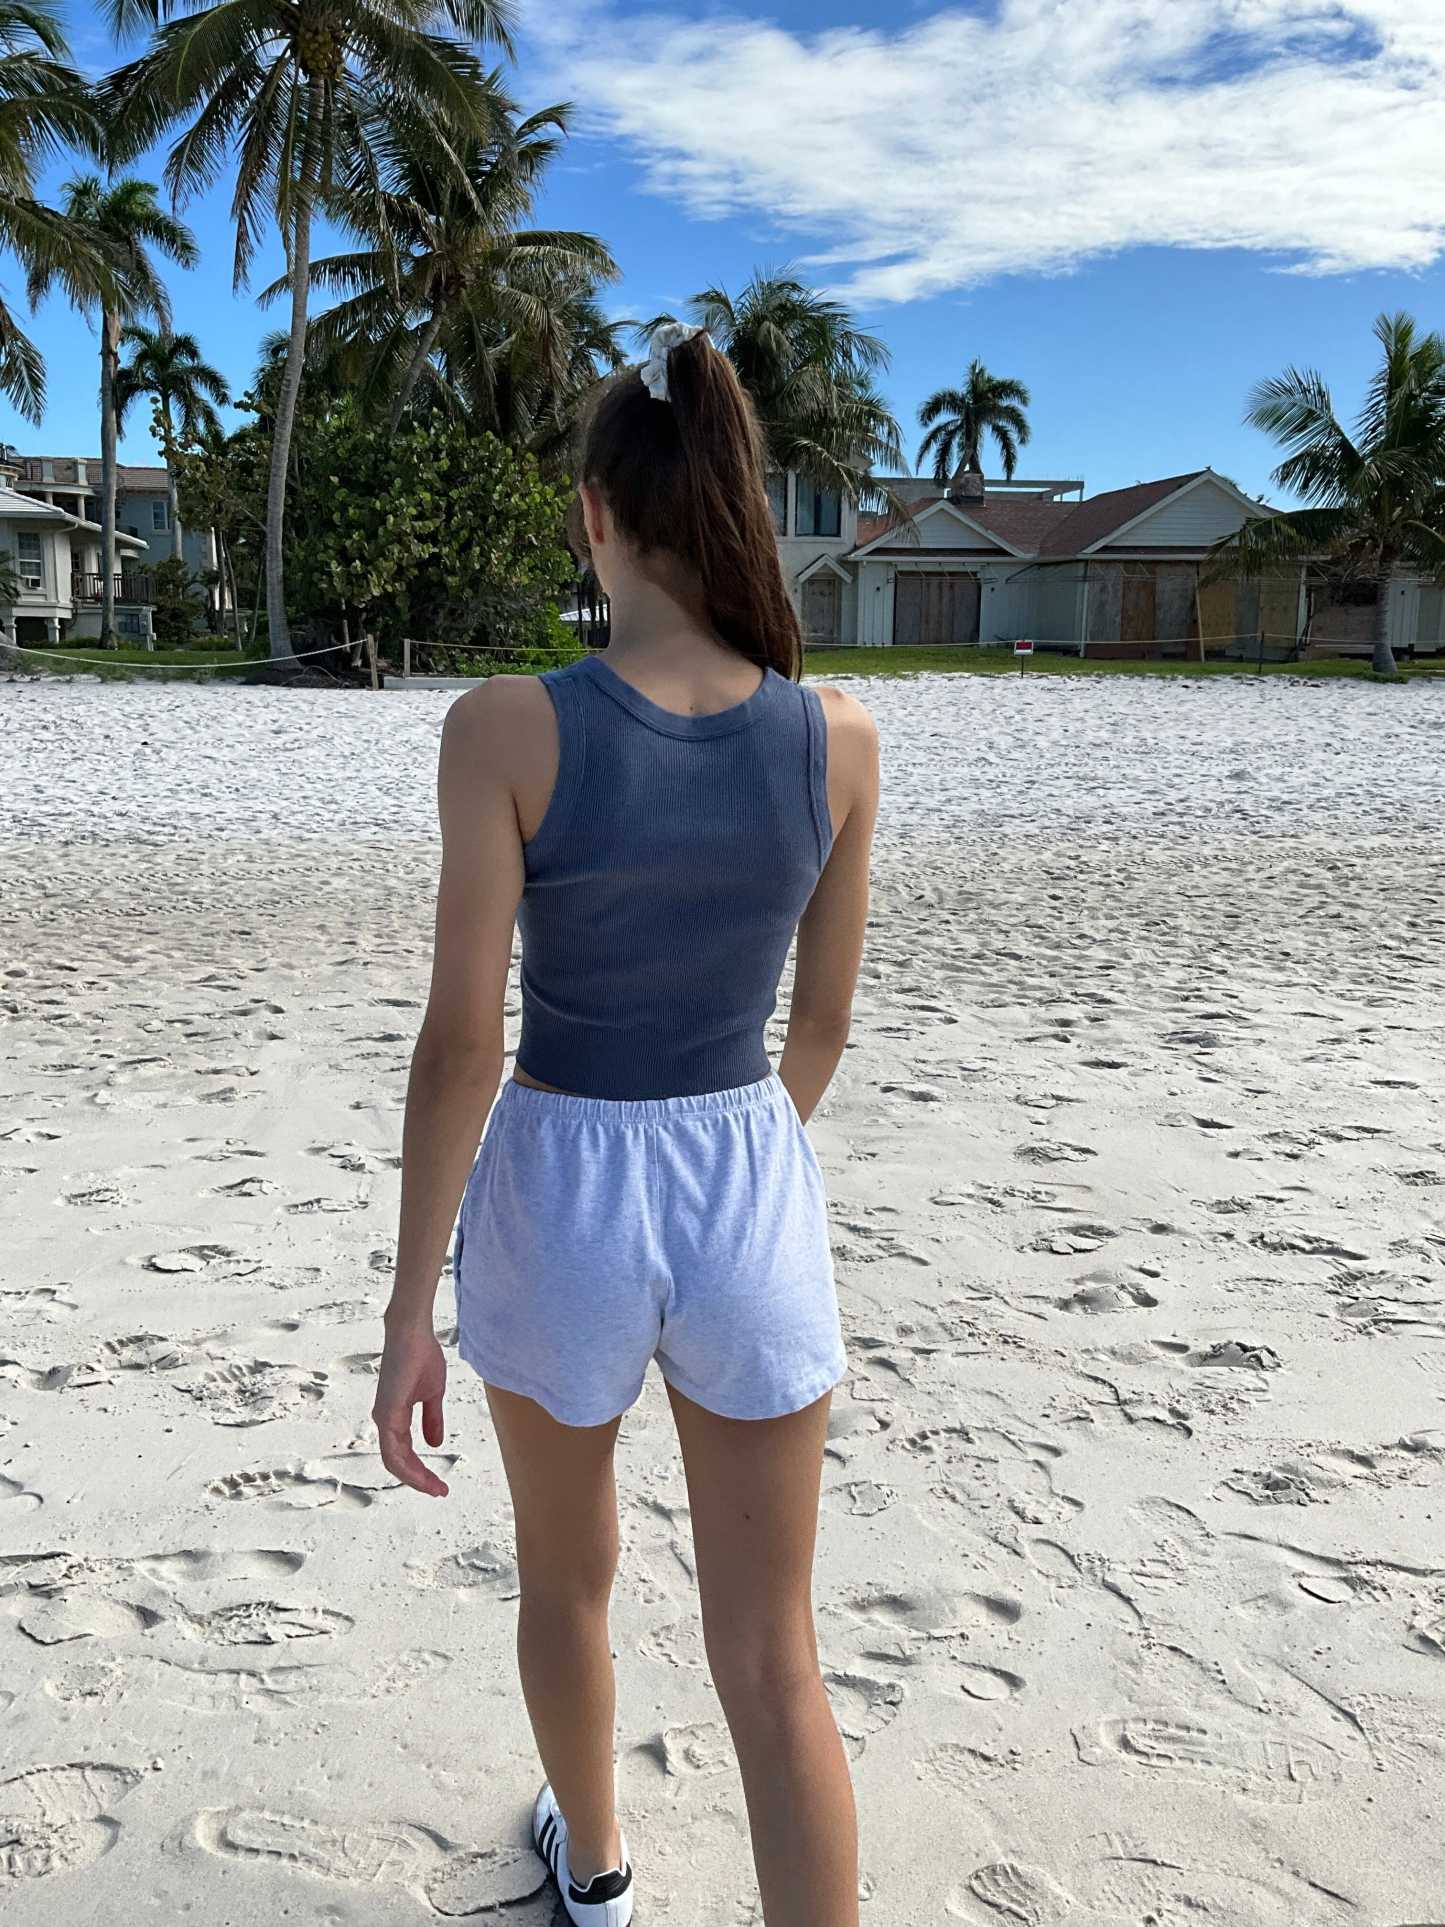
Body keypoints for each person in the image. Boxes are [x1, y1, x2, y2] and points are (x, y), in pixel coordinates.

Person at [373, 320, 881, 1926]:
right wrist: (742, 1153)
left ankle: (593, 1875)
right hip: (744, 1165)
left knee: (568, 1582)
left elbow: (462, 1047)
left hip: (563, 1180)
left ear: (593, 514)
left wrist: (406, 1310)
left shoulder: (506, 725)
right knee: (772, 1652)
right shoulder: (834, 737)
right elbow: (819, 1027)